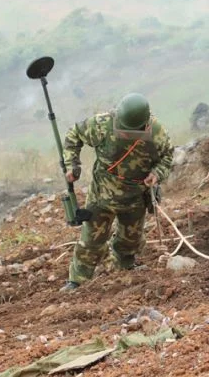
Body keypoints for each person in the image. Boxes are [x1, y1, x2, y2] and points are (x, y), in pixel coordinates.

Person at [59, 93, 173, 291]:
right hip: (101, 196)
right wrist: (72, 165)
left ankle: (125, 267)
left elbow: (167, 156)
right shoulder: (102, 125)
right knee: (91, 241)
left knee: (131, 240)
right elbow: (74, 134)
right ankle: (77, 280)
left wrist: (157, 173)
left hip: (135, 198)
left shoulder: (156, 133)